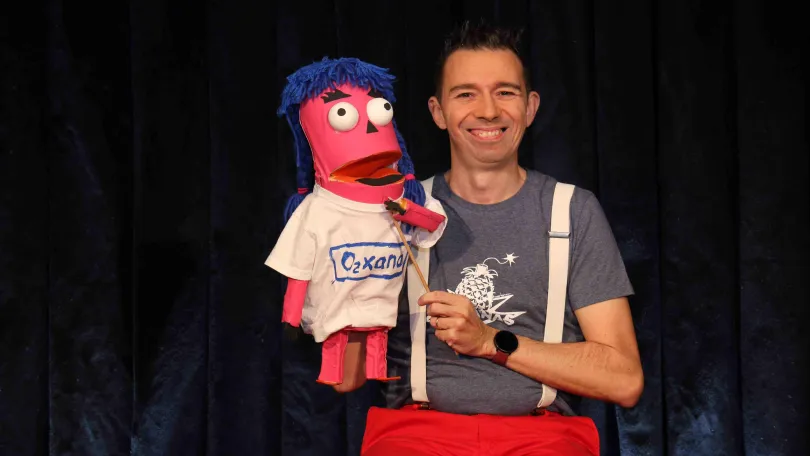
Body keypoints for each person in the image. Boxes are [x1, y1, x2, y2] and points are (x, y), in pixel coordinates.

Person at [334, 21, 644, 455]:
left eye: (505, 92)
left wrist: (489, 342)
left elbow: (624, 380)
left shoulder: (572, 211)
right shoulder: (395, 213)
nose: (488, 111)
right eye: (466, 94)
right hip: (417, 435)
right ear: (438, 112)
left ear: (530, 107)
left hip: (542, 438)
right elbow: (347, 378)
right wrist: (335, 286)